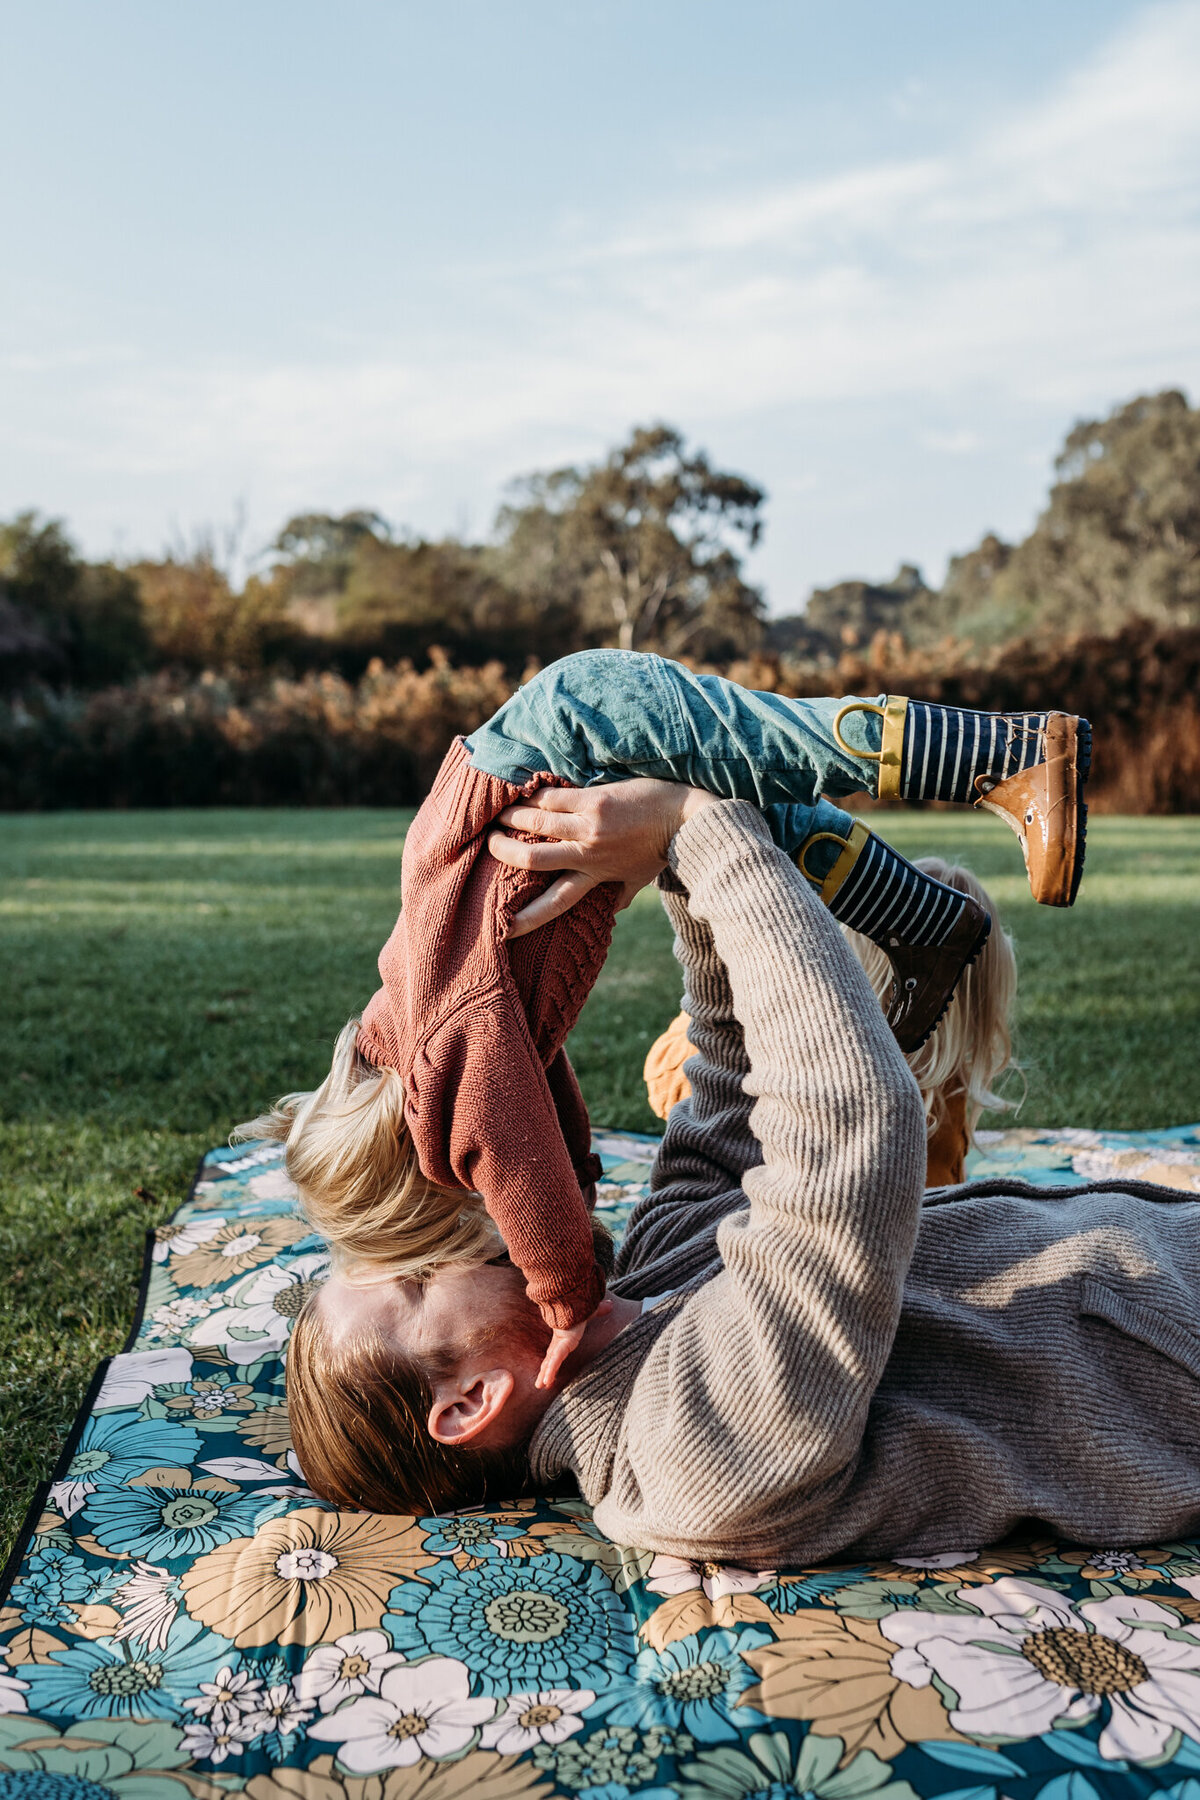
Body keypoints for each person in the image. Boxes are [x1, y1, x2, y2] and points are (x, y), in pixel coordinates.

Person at [287, 781, 1200, 1564]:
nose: (429, 1239)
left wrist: (665, 866)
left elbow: (727, 1069)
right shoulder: (686, 1450)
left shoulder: (643, 1283)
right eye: (409, 1281)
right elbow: (852, 1139)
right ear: (472, 1402)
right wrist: (706, 830)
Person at [248, 650, 1090, 1390]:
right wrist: (579, 1206)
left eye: (430, 1263)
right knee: (777, 819)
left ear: (425, 1185)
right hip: (562, 736)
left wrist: (570, 1295)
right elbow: (546, 1113)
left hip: (576, 734)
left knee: (777, 750)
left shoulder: (448, 1067)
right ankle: (931, 927)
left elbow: (511, 1149)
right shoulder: (444, 1044)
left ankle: (1006, 757)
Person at [644, 858, 1020, 1188]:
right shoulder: (944, 1089)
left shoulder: (792, 1044)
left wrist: (712, 1007)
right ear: (982, 1006)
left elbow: (671, 1082)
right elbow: (942, 1199)